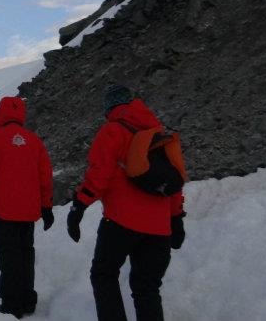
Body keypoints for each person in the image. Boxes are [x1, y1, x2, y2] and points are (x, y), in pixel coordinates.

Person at [66, 84, 186, 321]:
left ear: (109, 107)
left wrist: (79, 205)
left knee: (104, 275)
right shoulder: (158, 134)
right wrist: (176, 220)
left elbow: (99, 174)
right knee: (147, 288)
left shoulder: (112, 131)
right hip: (159, 229)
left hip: (120, 223)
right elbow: (175, 180)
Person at [0, 96, 54, 318]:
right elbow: (45, 177)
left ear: (0, 114)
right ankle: (27, 299)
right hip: (28, 211)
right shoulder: (34, 141)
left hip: (4, 210)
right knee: (26, 253)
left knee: (9, 256)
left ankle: (11, 304)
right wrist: (46, 207)